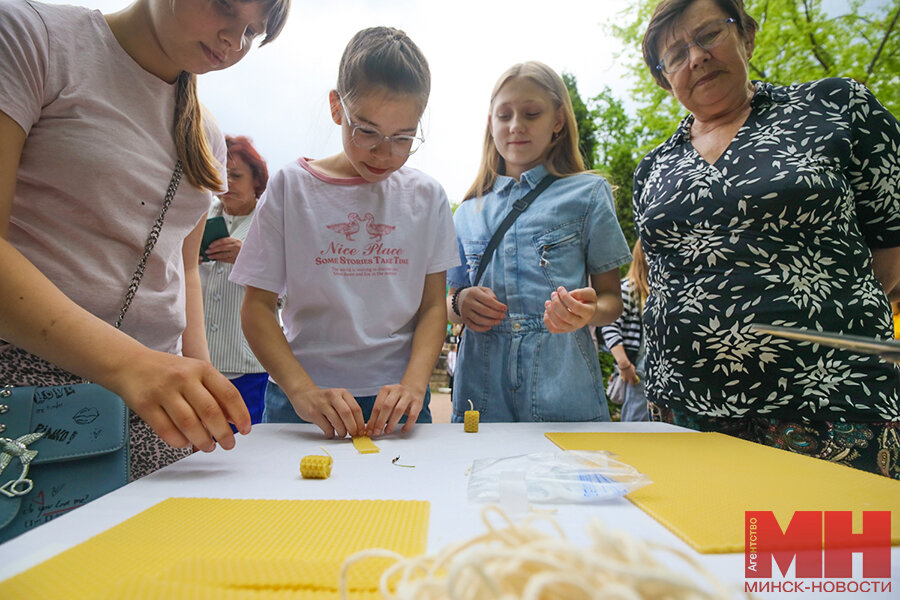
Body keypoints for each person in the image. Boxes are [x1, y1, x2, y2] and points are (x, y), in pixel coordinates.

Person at [0, 0, 290, 481]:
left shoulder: (208, 137)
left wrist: (200, 379)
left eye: (252, 33)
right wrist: (132, 366)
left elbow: (185, 268)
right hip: (30, 391)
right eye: (224, 8)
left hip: (157, 408)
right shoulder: (34, 37)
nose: (233, 42)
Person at [635, 0, 900, 476]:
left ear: (746, 35)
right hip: (684, 411)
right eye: (675, 55)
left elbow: (890, 242)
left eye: (709, 34)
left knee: (823, 549)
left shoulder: (837, 107)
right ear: (665, 78)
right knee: (702, 547)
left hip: (831, 403)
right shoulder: (652, 168)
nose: (695, 57)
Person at [233, 27, 459, 440]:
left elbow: (432, 307)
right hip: (303, 400)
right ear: (337, 107)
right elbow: (257, 307)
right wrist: (302, 390)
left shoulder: (427, 197)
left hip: (399, 402)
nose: (384, 152)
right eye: (367, 131)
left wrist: (413, 384)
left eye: (404, 137)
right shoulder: (291, 188)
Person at [447, 61, 631, 423]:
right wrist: (460, 301)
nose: (516, 126)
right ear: (490, 123)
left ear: (558, 121)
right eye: (504, 115)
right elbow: (448, 303)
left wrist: (587, 312)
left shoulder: (589, 194)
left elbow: (612, 300)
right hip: (481, 397)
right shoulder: (465, 212)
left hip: (564, 393)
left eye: (531, 113)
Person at [200, 135, 270, 424]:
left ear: (257, 179)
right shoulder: (197, 218)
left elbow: (290, 296)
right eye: (221, 175)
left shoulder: (271, 225)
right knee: (196, 453)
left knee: (245, 449)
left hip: (247, 363)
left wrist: (249, 259)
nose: (226, 184)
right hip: (199, 360)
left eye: (236, 176)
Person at [601, 240, 650, 422]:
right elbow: (609, 325)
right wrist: (624, 364)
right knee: (636, 423)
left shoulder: (655, 290)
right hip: (636, 369)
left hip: (650, 371)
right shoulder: (629, 289)